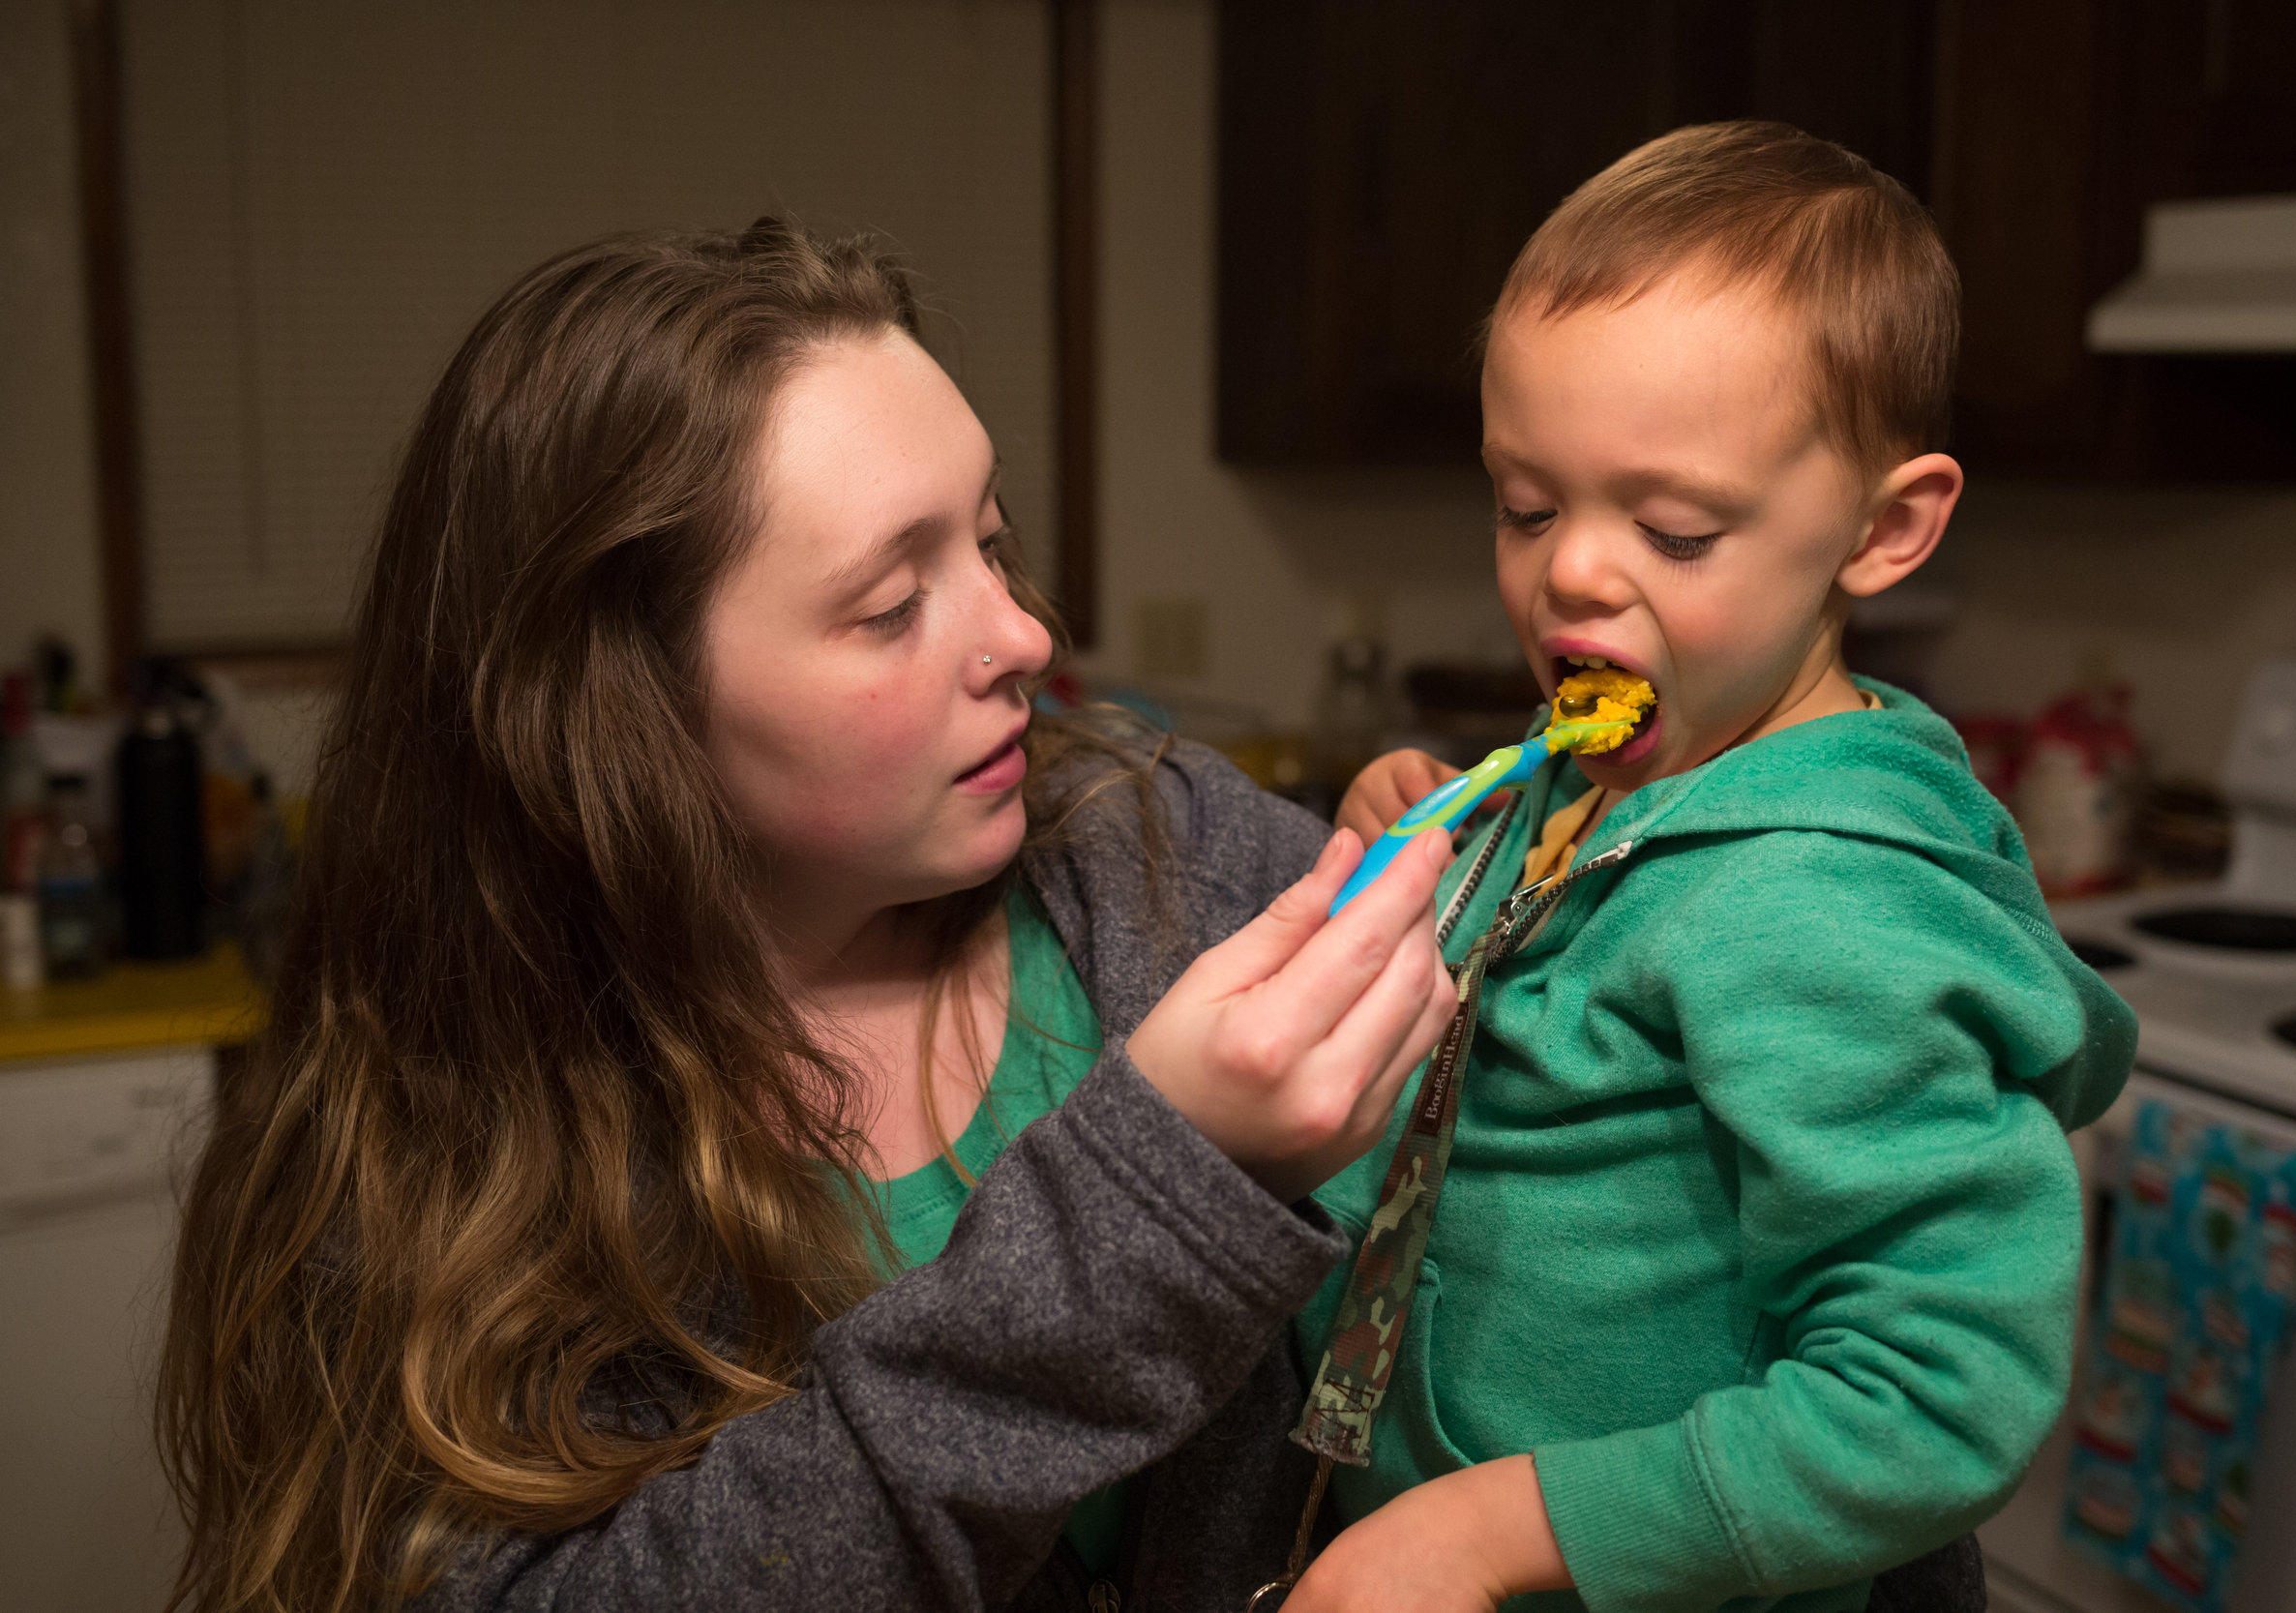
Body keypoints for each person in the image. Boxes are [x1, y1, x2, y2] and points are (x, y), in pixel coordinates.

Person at [157, 220, 1462, 1613]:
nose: (1023, 635)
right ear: (622, 718)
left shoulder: (1165, 857)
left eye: (992, 540)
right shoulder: (426, 1178)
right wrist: (1164, 1197)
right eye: (894, 604)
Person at [1292, 124, 2136, 1612]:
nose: (1571, 572)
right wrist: (1443, 830)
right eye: (1526, 504)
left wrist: (1482, 1533)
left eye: (1672, 528)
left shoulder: (1824, 909)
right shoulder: (1614, 766)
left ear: (1884, 530)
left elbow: (1934, 1399)